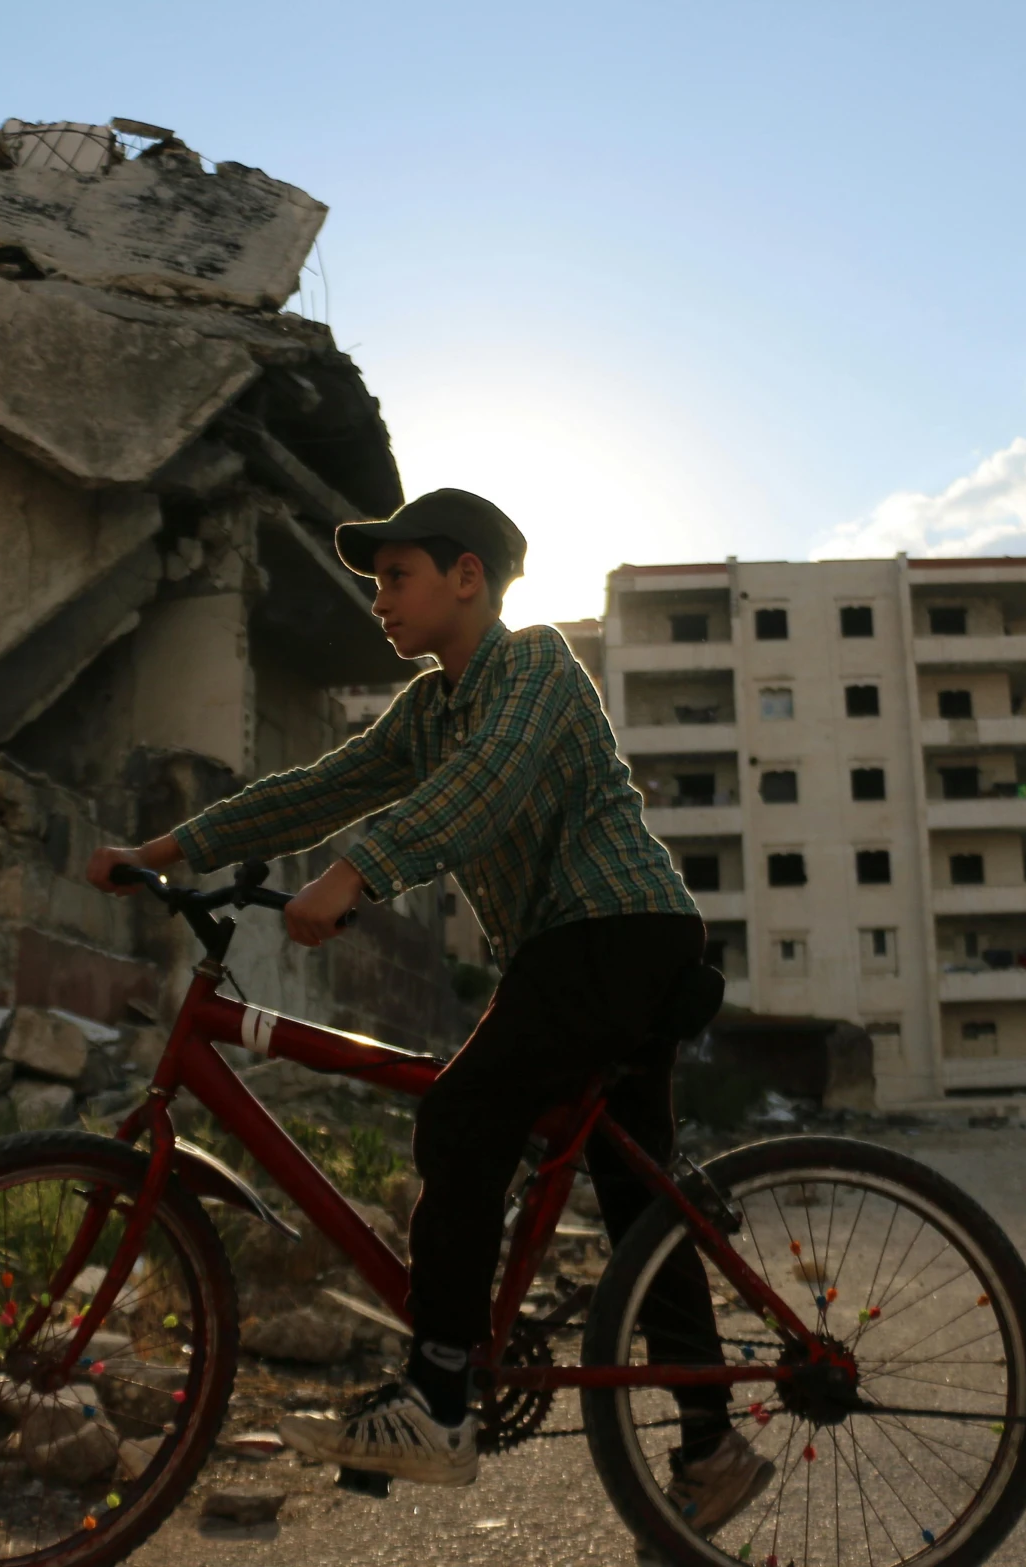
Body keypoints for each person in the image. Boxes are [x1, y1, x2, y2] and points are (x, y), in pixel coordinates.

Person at [83, 488, 771, 1533]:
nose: (380, 600)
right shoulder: (427, 708)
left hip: (615, 933)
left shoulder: (534, 664)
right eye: (373, 583)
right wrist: (162, 853)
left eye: (396, 576)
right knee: (638, 1204)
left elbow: (486, 787)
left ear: (468, 578)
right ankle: (713, 1443)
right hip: (577, 951)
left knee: (459, 1116)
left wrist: (359, 872)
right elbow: (315, 789)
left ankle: (440, 1396)